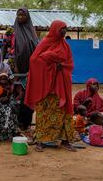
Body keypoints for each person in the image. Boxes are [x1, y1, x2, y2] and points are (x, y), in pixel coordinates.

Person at [25, 20, 76, 152]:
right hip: (46, 87)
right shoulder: (45, 43)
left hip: (61, 86)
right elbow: (34, 60)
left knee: (63, 113)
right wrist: (52, 63)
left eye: (65, 29)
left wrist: (61, 66)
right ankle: (41, 141)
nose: (64, 31)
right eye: (61, 29)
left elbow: (70, 64)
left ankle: (65, 140)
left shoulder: (66, 46)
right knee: (44, 113)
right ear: (54, 30)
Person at [13, 7, 39, 131]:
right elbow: (11, 52)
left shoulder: (32, 32)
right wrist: (15, 69)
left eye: (23, 15)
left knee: (28, 99)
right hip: (16, 72)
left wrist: (33, 70)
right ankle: (16, 124)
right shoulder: (13, 33)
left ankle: (26, 124)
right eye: (18, 15)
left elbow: (36, 51)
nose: (20, 17)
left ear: (27, 17)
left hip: (31, 72)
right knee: (16, 98)